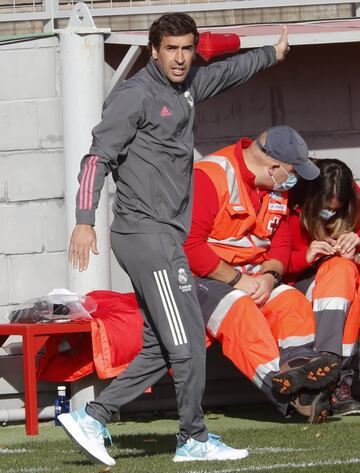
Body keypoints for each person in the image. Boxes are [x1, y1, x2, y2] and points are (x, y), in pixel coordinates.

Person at [58, 12, 291, 467]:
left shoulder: (185, 87)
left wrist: (272, 54)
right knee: (186, 341)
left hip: (162, 237)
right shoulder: (134, 96)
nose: (181, 58)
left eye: (187, 48)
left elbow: (224, 73)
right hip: (147, 235)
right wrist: (84, 219)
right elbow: (95, 158)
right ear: (154, 51)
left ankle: (95, 415)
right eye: (172, 49)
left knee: (163, 346)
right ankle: (193, 437)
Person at [183, 126, 341, 424]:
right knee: (240, 311)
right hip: (202, 279)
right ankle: (287, 394)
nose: (294, 181)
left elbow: (279, 243)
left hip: (255, 275)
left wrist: (270, 276)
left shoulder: (276, 186)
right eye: (292, 172)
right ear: (273, 167)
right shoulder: (209, 176)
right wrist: (238, 281)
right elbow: (190, 247)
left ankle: (303, 372)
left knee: (290, 301)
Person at [287, 158, 360, 416]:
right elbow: (270, 262)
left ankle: (332, 376)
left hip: (340, 283)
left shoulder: (355, 200)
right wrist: (304, 257)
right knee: (340, 273)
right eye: (325, 208)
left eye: (337, 210)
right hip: (297, 282)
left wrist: (357, 245)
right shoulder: (287, 203)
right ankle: (335, 377)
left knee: (343, 271)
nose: (330, 213)